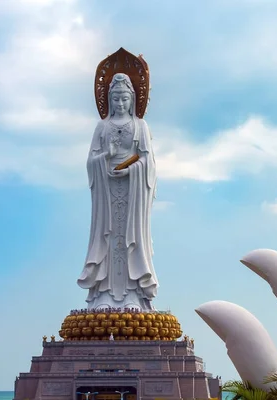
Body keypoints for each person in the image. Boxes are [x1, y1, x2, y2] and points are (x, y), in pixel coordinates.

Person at [78, 72, 158, 310]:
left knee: (130, 238)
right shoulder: (102, 127)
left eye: (124, 98)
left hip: (132, 192)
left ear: (132, 99)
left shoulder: (140, 126)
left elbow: (148, 162)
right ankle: (104, 294)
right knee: (109, 236)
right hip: (107, 191)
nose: (120, 104)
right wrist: (108, 156)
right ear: (109, 100)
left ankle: (133, 293)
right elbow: (90, 162)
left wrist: (132, 170)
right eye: (116, 99)